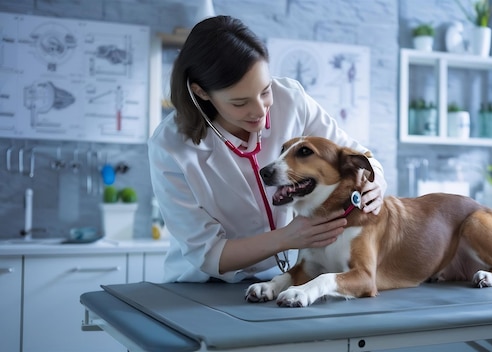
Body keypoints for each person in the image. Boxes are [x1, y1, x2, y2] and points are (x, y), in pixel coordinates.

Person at [148, 15, 387, 283]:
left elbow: (357, 156)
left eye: (265, 91)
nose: (261, 111)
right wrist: (287, 238)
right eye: (240, 103)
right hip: (204, 286)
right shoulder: (170, 146)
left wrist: (375, 182)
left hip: (283, 279)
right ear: (201, 93)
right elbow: (209, 254)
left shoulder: (291, 100)